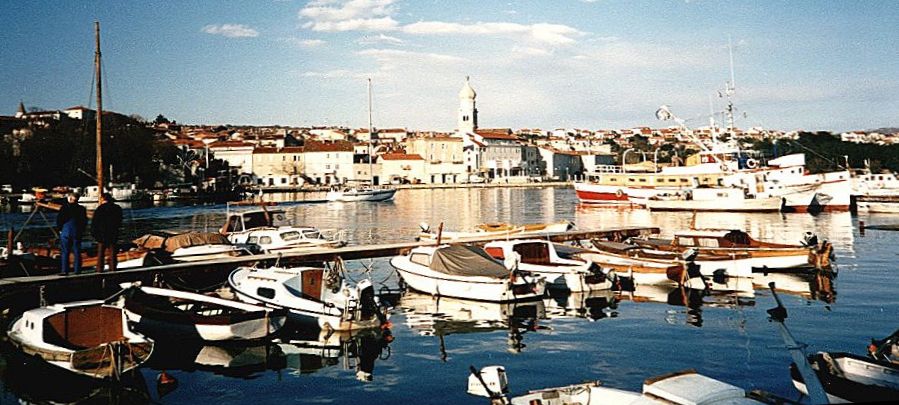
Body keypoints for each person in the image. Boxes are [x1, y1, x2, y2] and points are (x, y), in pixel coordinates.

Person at [57, 192, 87, 275]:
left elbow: (60, 219)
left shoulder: (64, 208)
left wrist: (59, 229)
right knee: (77, 250)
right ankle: (77, 270)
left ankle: (64, 270)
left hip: (66, 230)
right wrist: (82, 230)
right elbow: (84, 221)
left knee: (65, 251)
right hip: (77, 230)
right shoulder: (82, 209)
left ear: (70, 198)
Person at [91, 192, 123, 272]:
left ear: (103, 199)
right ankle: (112, 269)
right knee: (112, 253)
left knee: (101, 253)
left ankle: (100, 269)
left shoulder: (100, 209)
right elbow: (119, 220)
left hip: (101, 234)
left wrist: (94, 233)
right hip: (113, 232)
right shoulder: (117, 208)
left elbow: (95, 222)